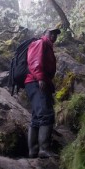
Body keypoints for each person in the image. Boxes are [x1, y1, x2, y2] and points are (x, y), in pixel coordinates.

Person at [24, 26, 61, 158]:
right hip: (36, 82)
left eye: (56, 34)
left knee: (37, 117)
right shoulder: (40, 42)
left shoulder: (48, 46)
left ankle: (33, 150)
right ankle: (44, 149)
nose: (54, 36)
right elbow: (34, 61)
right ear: (45, 33)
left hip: (34, 82)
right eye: (52, 33)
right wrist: (40, 78)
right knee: (46, 114)